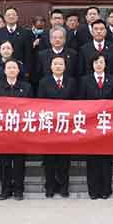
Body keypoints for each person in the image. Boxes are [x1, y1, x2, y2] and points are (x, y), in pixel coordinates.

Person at [79, 54, 113, 199]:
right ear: (92, 65)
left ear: (105, 64)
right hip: (91, 125)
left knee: (106, 159)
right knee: (92, 159)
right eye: (96, 62)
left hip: (107, 124)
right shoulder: (85, 80)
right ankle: (93, 190)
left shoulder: (112, 79)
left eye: (101, 62)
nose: (98, 64)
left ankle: (106, 190)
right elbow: (81, 101)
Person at [0, 59, 32, 200]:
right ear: (4, 70)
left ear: (18, 71)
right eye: (9, 67)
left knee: (19, 162)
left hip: (21, 131)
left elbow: (32, 107)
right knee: (5, 163)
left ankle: (19, 190)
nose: (12, 70)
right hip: (3, 131)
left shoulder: (26, 87)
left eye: (14, 67)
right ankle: (5, 189)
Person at [37, 56, 78, 198]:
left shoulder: (71, 82)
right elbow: (40, 102)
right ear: (51, 67)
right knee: (49, 159)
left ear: (65, 67)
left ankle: (64, 186)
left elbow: (76, 102)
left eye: (61, 64)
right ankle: (50, 186)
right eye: (55, 64)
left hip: (66, 125)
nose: (58, 66)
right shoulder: (44, 82)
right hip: (49, 126)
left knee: (64, 159)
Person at [0, 7, 33, 75]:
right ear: (5, 17)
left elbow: (28, 54)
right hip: (1, 70)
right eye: (8, 15)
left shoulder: (25, 33)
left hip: (20, 70)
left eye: (13, 14)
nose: (11, 16)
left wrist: (27, 71)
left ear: (17, 17)